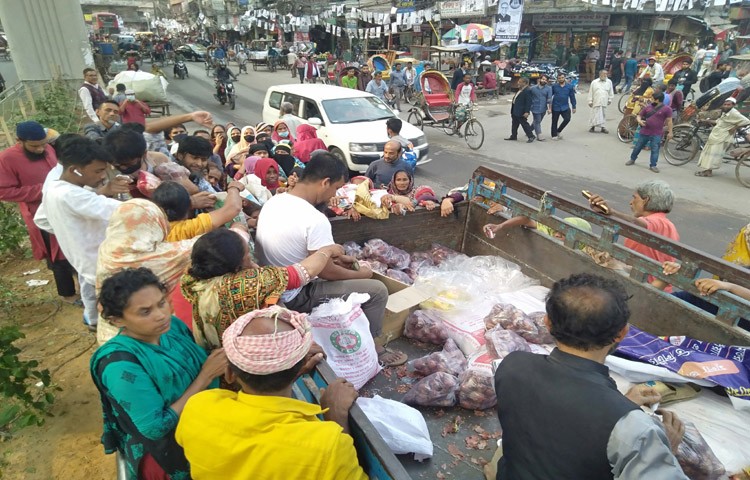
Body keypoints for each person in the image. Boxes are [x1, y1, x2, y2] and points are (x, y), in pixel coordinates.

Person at [494, 273, 689, 480]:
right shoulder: (637, 430)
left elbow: (559, 420)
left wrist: (621, 405)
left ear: (547, 323)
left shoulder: (512, 365)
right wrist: (665, 450)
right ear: (622, 334)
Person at [175, 306, 368, 479]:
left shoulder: (197, 407)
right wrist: (335, 415)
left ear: (230, 374)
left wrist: (287, 373)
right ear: (300, 364)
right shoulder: (328, 446)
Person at [256, 153, 407, 367]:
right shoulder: (314, 219)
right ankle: (375, 345)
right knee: (377, 290)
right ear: (325, 182)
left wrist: (337, 262)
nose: (333, 195)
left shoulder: (275, 202)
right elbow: (326, 271)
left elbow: (313, 258)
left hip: (273, 282)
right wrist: (361, 274)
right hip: (293, 295)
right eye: (335, 189)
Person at [91, 268, 226, 480]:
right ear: (118, 320)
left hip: (204, 424)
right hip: (167, 453)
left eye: (162, 303)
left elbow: (195, 361)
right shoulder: (120, 365)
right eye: (145, 312)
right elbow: (155, 427)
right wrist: (205, 377)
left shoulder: (172, 329)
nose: (161, 315)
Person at [180, 229, 344, 348]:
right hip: (230, 364)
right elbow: (302, 273)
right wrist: (326, 250)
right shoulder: (243, 284)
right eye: (247, 257)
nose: (251, 261)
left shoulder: (191, 276)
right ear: (236, 267)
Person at [34, 136, 121, 330]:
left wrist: (70, 231)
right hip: (98, 260)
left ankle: (93, 322)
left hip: (84, 258)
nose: (102, 176)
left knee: (91, 291)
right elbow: (122, 210)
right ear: (75, 170)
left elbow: (41, 219)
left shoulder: (56, 188)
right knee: (114, 307)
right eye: (98, 171)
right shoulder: (72, 195)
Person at [0, 121, 78, 303]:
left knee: (71, 244)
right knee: (56, 253)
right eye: (34, 146)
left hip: (62, 206)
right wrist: (42, 190)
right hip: (40, 213)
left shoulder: (48, 149)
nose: (40, 149)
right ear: (20, 141)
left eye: (43, 144)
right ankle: (68, 294)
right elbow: (3, 191)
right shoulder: (7, 159)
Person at [587, 180, 679, 291]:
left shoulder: (657, 221)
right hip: (648, 282)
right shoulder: (668, 224)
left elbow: (637, 223)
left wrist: (612, 212)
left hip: (647, 286)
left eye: (635, 198)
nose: (631, 202)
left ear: (646, 200)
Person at [151, 180, 244, 242]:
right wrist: (233, 188)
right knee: (238, 228)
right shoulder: (184, 230)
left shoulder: (151, 226)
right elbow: (233, 208)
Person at [695, 98, 750, 177]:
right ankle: (706, 170)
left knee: (713, 155)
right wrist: (706, 120)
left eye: (729, 105)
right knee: (709, 154)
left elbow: (747, 121)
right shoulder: (725, 112)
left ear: (733, 105)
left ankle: (708, 172)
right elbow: (718, 122)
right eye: (725, 104)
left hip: (722, 138)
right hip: (716, 136)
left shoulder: (734, 113)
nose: (726, 106)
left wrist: (735, 127)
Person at [625, 91, 673, 173]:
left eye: (652, 98)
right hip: (645, 131)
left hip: (657, 133)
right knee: (638, 147)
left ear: (657, 100)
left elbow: (669, 121)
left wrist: (670, 132)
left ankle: (653, 165)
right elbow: (639, 116)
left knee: (655, 150)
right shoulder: (648, 108)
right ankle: (632, 159)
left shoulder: (667, 109)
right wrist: (640, 121)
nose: (651, 100)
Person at [505, 77, 535, 143]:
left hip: (521, 111)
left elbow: (528, 102)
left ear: (525, 83)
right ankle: (513, 136)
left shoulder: (527, 90)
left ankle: (531, 136)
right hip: (515, 110)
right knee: (514, 124)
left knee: (524, 124)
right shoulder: (520, 89)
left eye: (520, 82)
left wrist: (527, 111)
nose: (518, 83)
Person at [550, 72, 577, 140]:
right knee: (554, 121)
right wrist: (549, 107)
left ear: (565, 78)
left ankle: (558, 130)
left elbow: (572, 97)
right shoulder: (554, 86)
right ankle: (554, 135)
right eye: (559, 78)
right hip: (556, 106)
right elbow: (550, 96)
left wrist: (574, 106)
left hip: (565, 106)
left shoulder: (569, 87)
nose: (561, 79)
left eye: (562, 78)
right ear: (557, 79)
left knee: (567, 119)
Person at [588, 70, 614, 134]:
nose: (605, 75)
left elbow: (611, 91)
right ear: (600, 74)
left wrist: (610, 99)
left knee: (603, 114)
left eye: (606, 74)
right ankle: (592, 127)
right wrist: (590, 101)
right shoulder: (594, 82)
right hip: (596, 100)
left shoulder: (609, 82)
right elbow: (591, 92)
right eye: (604, 74)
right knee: (594, 114)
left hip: (604, 101)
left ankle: (603, 127)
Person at [529, 74, 553, 141]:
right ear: (539, 79)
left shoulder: (549, 89)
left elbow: (549, 99)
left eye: (545, 80)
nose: (543, 81)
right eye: (542, 79)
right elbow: (528, 97)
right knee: (537, 121)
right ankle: (539, 135)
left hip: (543, 108)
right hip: (534, 107)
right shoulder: (532, 88)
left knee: (537, 121)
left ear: (547, 81)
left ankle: (528, 130)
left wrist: (550, 109)